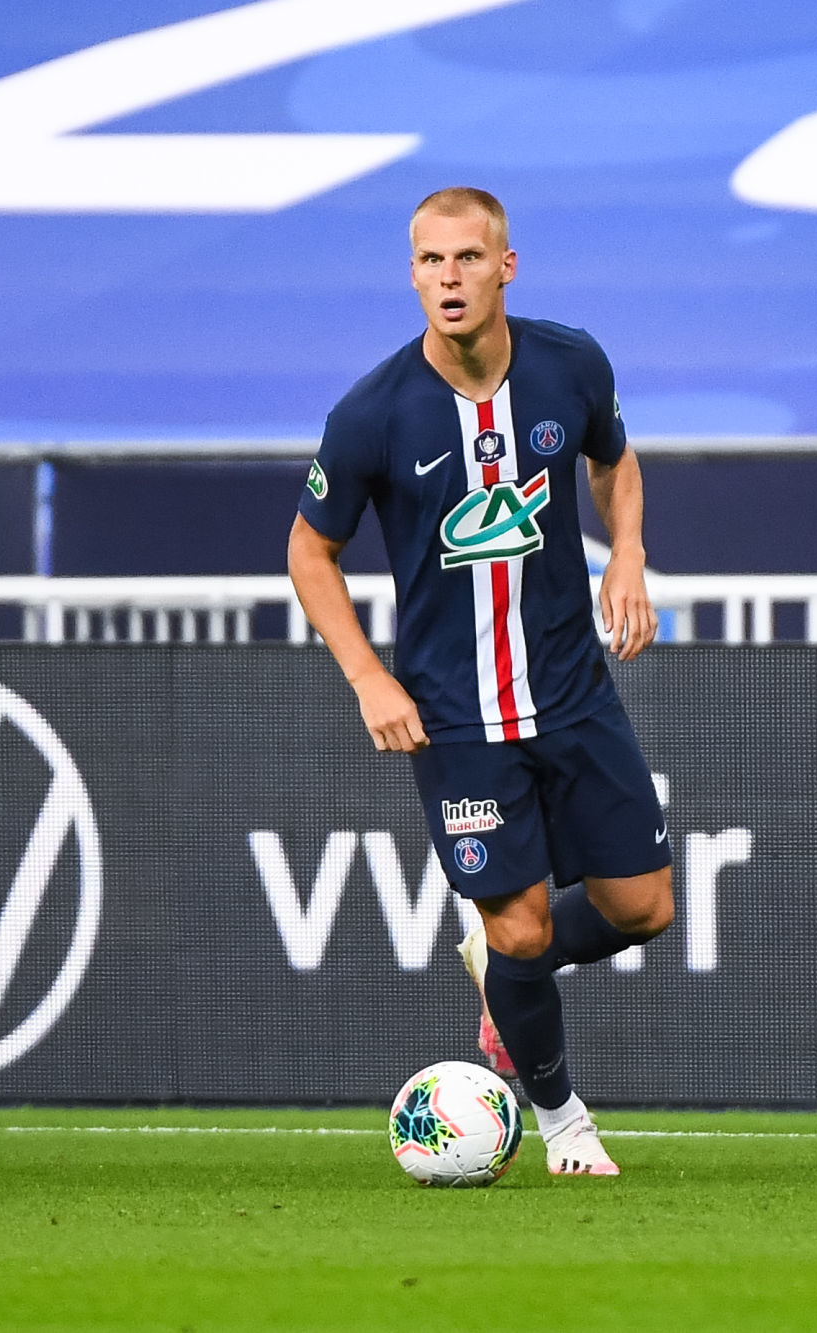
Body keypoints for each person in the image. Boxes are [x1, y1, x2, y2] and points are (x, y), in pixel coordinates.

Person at [288, 187, 674, 1177]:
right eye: (429, 261)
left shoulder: (570, 365)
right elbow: (308, 551)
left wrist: (627, 553)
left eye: (466, 258)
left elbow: (614, 462)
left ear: (506, 266)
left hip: (573, 692)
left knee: (644, 908)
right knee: (523, 925)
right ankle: (565, 1125)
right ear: (411, 274)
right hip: (457, 719)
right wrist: (367, 677)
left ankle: (501, 967)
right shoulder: (373, 413)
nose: (447, 279)